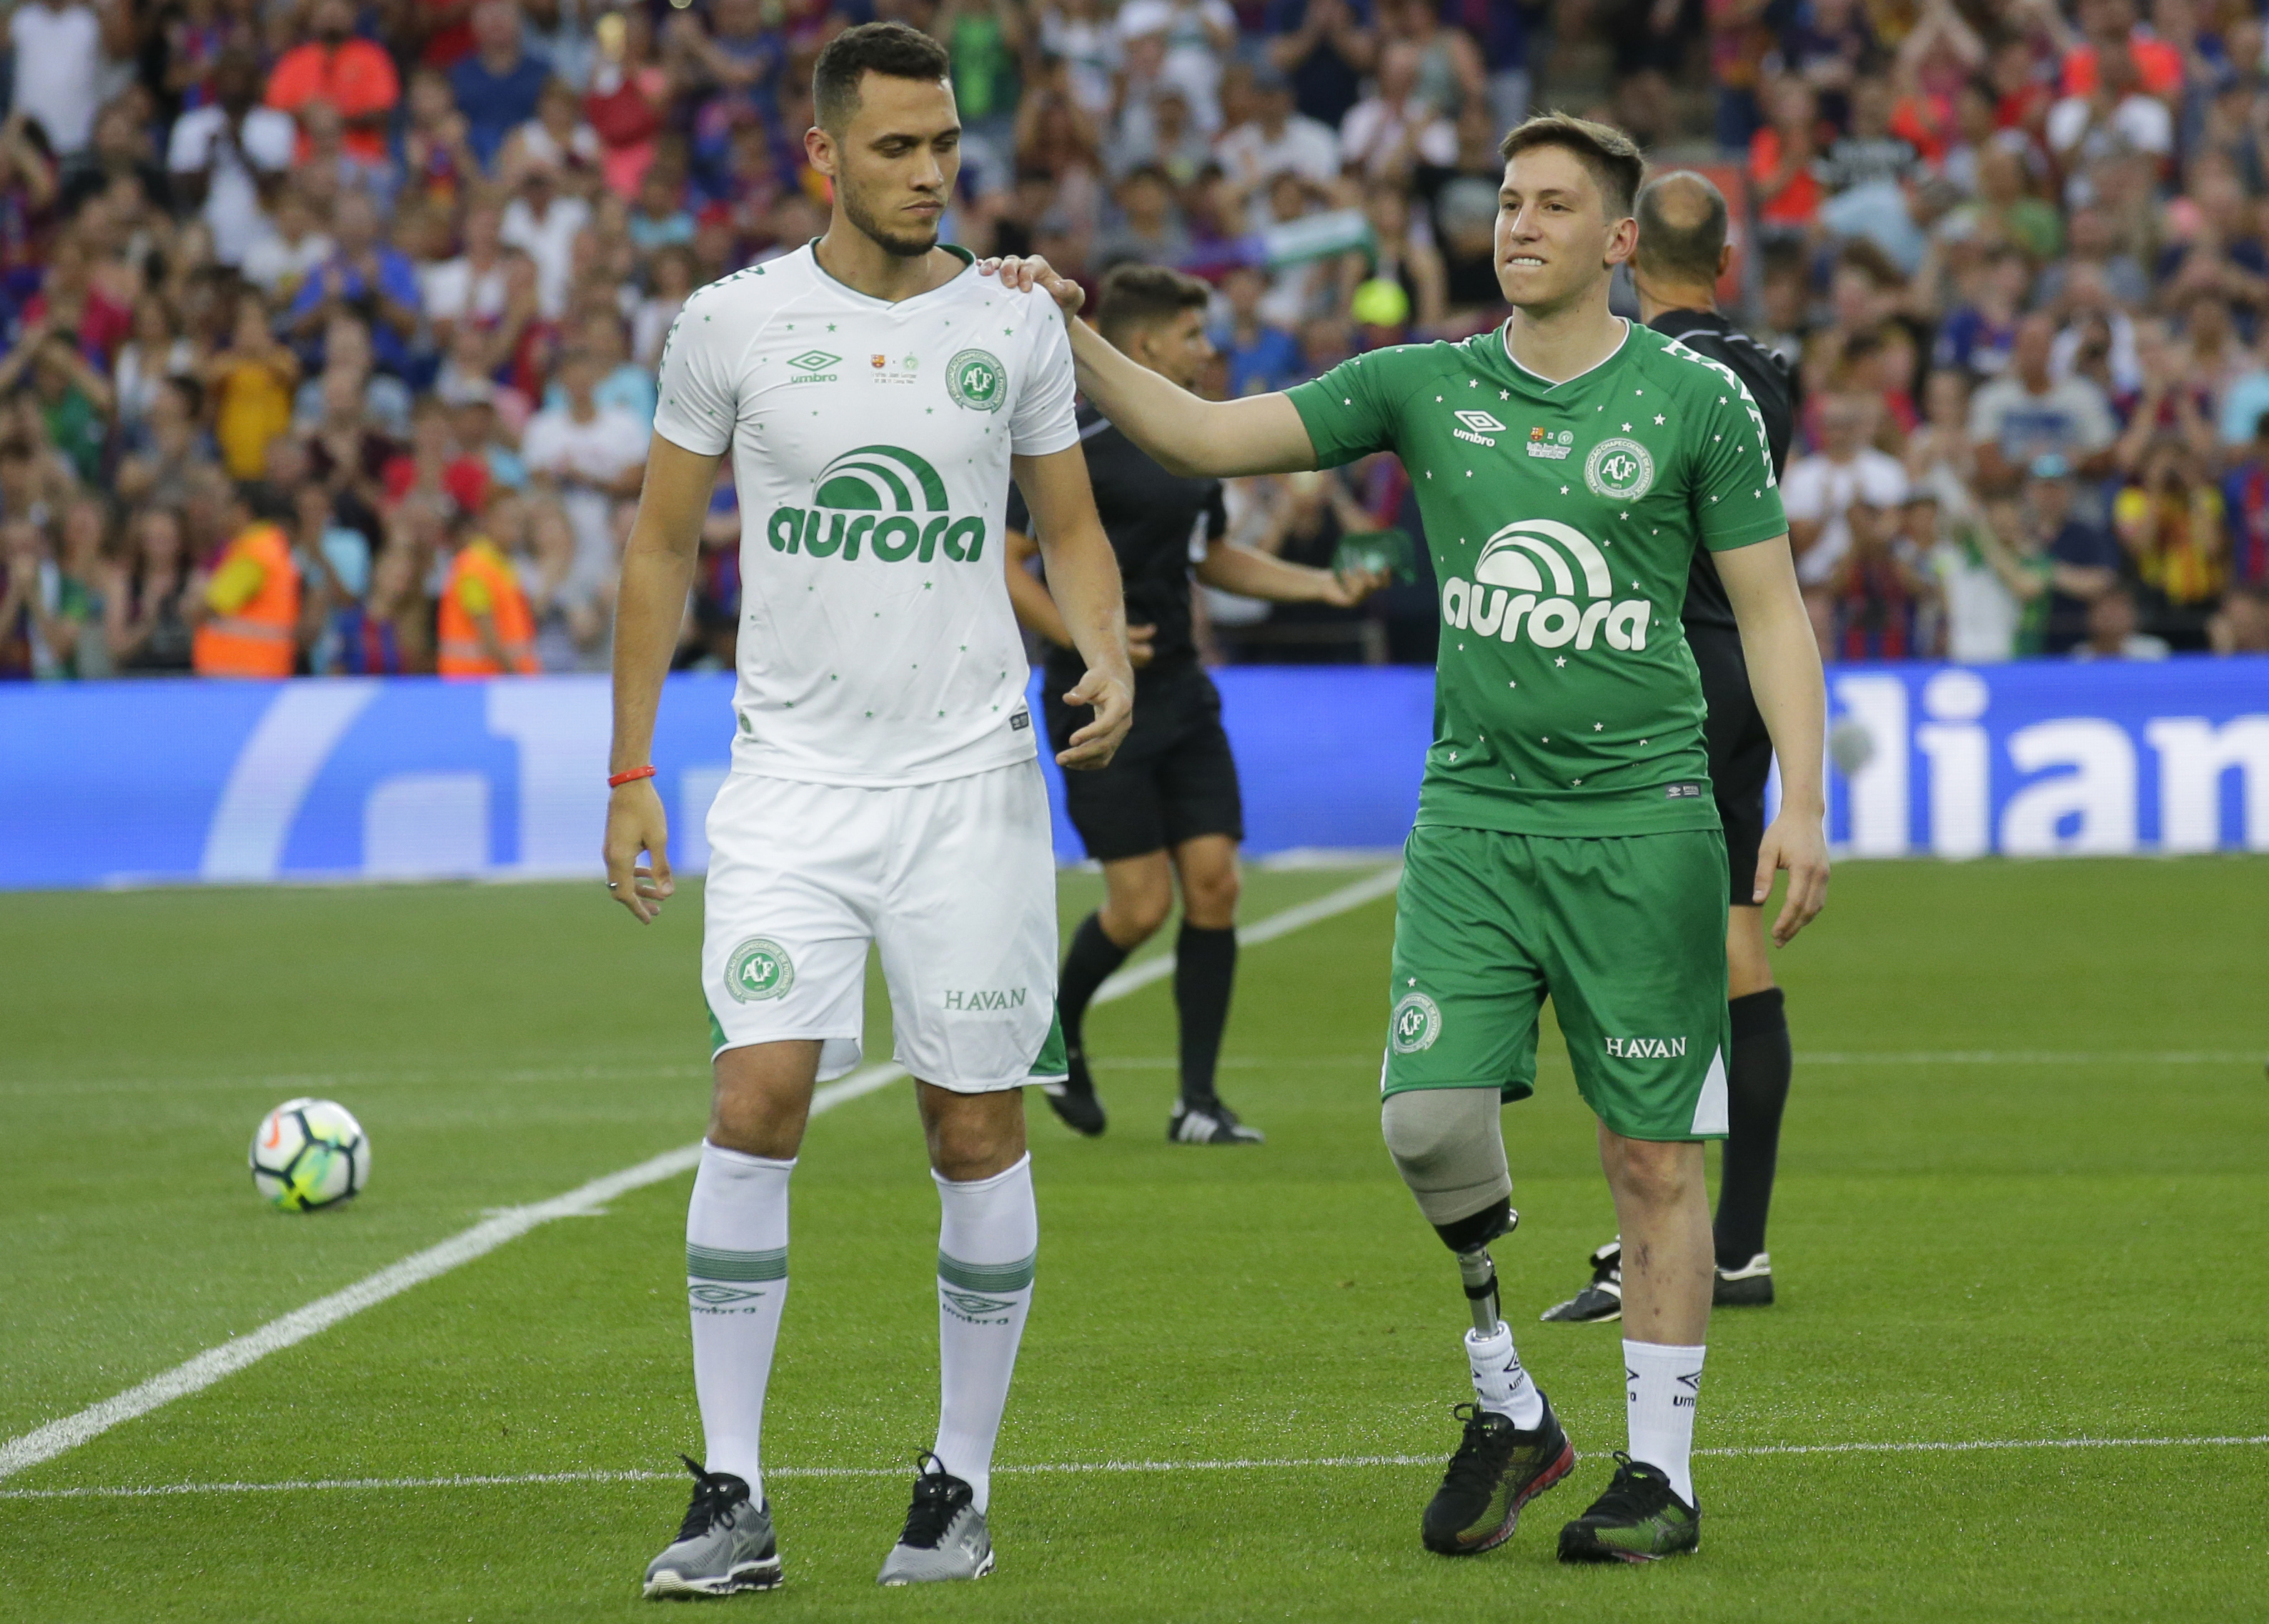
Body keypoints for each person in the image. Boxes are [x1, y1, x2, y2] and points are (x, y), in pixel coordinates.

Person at [986, 110, 1827, 1564]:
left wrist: (1803, 801)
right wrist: (1071, 332)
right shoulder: (1421, 383)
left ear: (1620, 242)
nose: (1520, 223)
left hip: (1646, 820)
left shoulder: (1698, 404)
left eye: (1555, 204)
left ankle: (1659, 1476)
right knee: (1427, 1122)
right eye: (1507, 200)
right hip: (1475, 821)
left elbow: (1769, 609)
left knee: (1652, 1162)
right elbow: (1200, 431)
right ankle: (1510, 1393)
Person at [605, 24, 1133, 1596]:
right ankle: (733, 1491)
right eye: (897, 147)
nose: (930, 171)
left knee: (971, 1120)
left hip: (969, 786)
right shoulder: (732, 323)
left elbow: (1073, 523)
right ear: (822, 155)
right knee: (754, 1093)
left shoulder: (1015, 324)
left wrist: (1102, 645)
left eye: (945, 143)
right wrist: (630, 770)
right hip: (789, 785)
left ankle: (958, 1482)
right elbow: (656, 548)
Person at [1001, 262, 1385, 1144]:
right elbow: (1005, 556)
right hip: (1095, 696)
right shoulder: (1073, 433)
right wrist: (1086, 639)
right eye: (1191, 336)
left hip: (1181, 686)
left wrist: (1318, 585)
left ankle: (1197, 1102)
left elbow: (1210, 557)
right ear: (1142, 344)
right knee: (1140, 906)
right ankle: (1052, 1028)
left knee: (1214, 886)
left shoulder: (1191, 442)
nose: (1207, 352)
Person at [1539, 169, 1800, 1327]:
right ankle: (1734, 1240)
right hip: (1739, 667)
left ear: (1629, 256)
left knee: (1659, 956)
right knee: (1736, 945)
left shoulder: (1654, 377)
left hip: (1663, 674)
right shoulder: (1768, 378)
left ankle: (1668, 1221)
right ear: (1727, 263)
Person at [189, 483, 302, 676]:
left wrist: (195, 595)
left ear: (243, 510)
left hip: (241, 671)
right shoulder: (270, 546)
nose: (219, 516)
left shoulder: (254, 552)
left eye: (224, 508)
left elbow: (206, 608)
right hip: (259, 668)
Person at [436, 498, 539, 674]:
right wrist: (516, 675)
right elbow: (487, 634)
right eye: (509, 521)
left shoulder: (502, 563)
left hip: (493, 680)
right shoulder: (474, 567)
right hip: (475, 681)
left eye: (519, 522)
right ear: (488, 521)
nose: (516, 530)